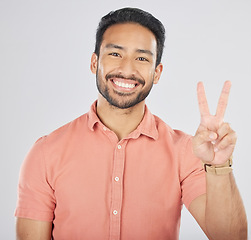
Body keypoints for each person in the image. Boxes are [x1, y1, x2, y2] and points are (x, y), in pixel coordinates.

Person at [15, 7, 247, 240]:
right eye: (115, 54)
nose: (127, 69)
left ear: (157, 73)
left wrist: (218, 167)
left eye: (142, 58)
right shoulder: (46, 152)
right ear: (94, 62)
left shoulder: (185, 152)